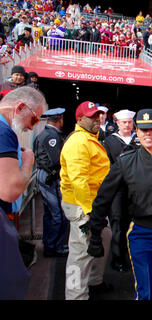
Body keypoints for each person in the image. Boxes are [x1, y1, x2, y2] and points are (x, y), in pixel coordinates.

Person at [86, 109, 152, 300]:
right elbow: (104, 196)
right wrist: (95, 231)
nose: (148, 134)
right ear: (137, 131)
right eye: (143, 129)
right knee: (147, 291)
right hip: (142, 233)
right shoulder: (125, 163)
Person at [59, 101, 112, 300]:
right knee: (80, 255)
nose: (97, 119)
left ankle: (94, 282)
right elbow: (78, 180)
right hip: (82, 206)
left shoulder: (89, 139)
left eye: (98, 115)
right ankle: (75, 296)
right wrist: (89, 213)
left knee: (104, 238)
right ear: (80, 119)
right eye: (92, 116)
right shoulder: (78, 142)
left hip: (94, 204)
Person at [0, 87, 47, 298]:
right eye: (34, 120)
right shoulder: (3, 131)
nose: (31, 127)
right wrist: (28, 162)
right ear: (20, 107)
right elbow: (9, 191)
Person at [101, 109, 139, 272]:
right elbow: (106, 167)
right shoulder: (110, 142)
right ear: (117, 123)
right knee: (117, 225)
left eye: (130, 122)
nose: (127, 125)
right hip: (118, 190)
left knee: (134, 224)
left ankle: (131, 256)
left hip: (136, 189)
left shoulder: (138, 139)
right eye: (124, 122)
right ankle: (117, 259)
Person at [33, 107, 69, 257]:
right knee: (58, 214)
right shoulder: (51, 136)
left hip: (45, 175)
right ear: (59, 120)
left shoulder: (44, 134)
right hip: (50, 177)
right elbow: (56, 160)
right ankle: (55, 246)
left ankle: (49, 244)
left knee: (50, 213)